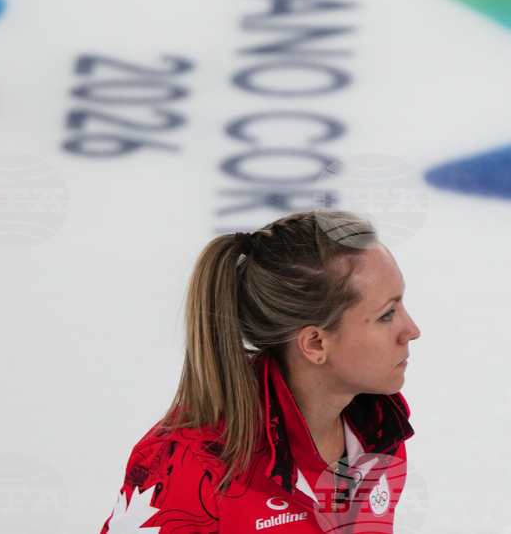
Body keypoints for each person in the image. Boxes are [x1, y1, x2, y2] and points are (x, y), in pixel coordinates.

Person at [99, 209, 420, 533]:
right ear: (315, 344)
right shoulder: (188, 469)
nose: (412, 330)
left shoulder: (381, 430)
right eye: (387, 314)